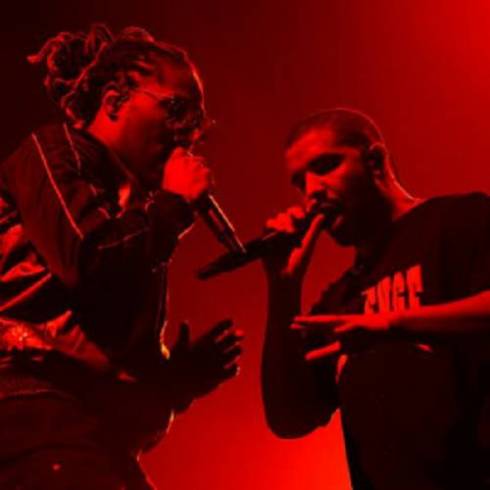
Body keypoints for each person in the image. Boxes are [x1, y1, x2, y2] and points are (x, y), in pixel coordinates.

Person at [0, 24, 242, 490]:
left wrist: (176, 382)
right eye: (176, 109)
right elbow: (86, 259)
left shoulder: (138, 220)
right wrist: (173, 208)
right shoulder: (55, 151)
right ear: (113, 102)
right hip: (32, 417)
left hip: (91, 434)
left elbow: (120, 376)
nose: (188, 133)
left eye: (197, 122)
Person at [261, 107, 490, 490]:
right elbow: (290, 419)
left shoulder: (461, 220)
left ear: (376, 161)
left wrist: (392, 323)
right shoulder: (341, 299)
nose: (312, 191)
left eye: (325, 166)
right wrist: (283, 288)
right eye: (300, 183)